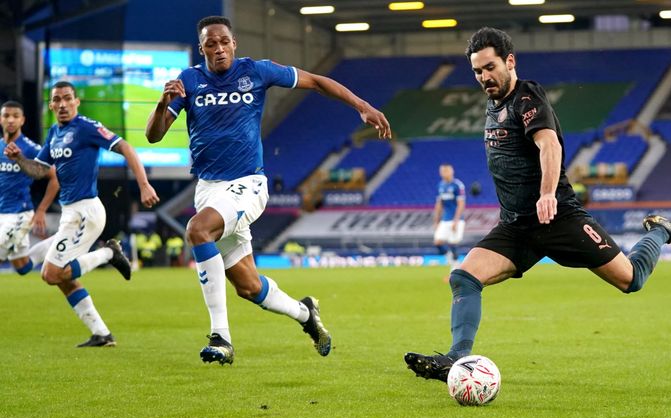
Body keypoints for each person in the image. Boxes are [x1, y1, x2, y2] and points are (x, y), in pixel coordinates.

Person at [403, 27, 671, 382]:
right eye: (477, 71)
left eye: (490, 67)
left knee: (630, 279)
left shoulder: (528, 98)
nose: (484, 77)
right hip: (516, 227)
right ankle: (456, 358)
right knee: (463, 277)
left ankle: (661, 231)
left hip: (558, 217)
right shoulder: (493, 106)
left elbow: (549, 145)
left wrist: (547, 192)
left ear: (510, 61)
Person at [145, 16, 391, 365]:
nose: (218, 49)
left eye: (223, 42)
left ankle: (221, 338)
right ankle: (306, 314)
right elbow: (154, 135)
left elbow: (317, 81)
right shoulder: (188, 81)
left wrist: (362, 106)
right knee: (248, 286)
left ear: (234, 43)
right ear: (201, 50)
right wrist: (162, 103)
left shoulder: (257, 71)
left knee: (198, 230)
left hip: (248, 183)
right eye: (210, 44)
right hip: (208, 188)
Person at [4, 81, 160, 347]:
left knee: (51, 274)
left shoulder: (87, 128)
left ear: (77, 102)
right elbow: (41, 171)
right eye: (57, 100)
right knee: (64, 279)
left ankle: (109, 253)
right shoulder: (54, 132)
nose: (62, 104)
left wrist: (144, 184)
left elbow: (127, 148)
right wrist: (19, 160)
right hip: (70, 214)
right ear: (51, 105)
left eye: (67, 98)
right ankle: (101, 333)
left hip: (86, 212)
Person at [0, 101, 59, 275]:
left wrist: (41, 210)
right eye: (6, 116)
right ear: (0, 119)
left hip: (19, 214)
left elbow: (55, 178)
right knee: (22, 266)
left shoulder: (31, 149)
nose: (11, 120)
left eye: (15, 116)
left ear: (22, 120)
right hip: (2, 213)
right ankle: (61, 238)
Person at [433, 164, 465, 270]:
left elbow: (461, 204)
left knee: (452, 243)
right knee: (437, 242)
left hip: (456, 219)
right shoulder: (440, 186)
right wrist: (436, 221)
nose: (444, 173)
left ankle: (455, 270)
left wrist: (456, 220)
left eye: (446, 171)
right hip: (445, 219)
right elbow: (439, 204)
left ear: (452, 172)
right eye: (442, 171)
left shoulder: (457, 185)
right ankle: (452, 260)